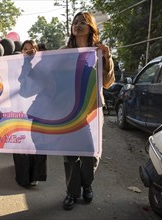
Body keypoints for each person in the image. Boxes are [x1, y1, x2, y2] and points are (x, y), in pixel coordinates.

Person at [61, 11, 115, 211]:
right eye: (75, 21)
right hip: (68, 111)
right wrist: (31, 57)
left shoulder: (99, 52)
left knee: (91, 153)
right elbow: (46, 75)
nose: (78, 24)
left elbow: (108, 82)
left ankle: (87, 184)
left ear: (91, 27)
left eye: (83, 22)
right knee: (70, 154)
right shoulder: (62, 52)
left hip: (92, 110)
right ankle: (72, 193)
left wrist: (107, 58)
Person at [13, 39, 47, 188]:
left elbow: (33, 84)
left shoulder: (42, 65)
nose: (28, 51)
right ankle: (23, 176)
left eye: (31, 48)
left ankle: (36, 175)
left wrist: (29, 62)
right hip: (18, 109)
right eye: (24, 49)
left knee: (38, 141)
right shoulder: (13, 64)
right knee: (20, 141)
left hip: (38, 109)